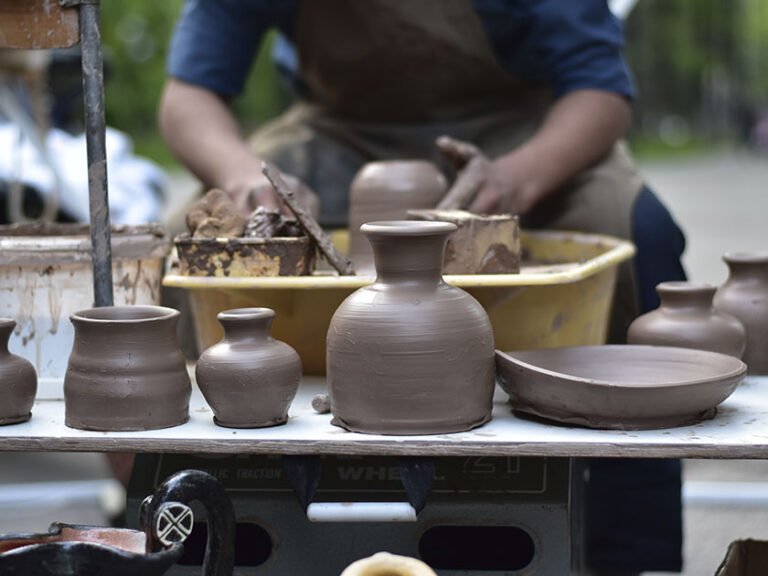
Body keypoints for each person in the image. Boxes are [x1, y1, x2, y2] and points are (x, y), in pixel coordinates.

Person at [159, 2, 686, 573]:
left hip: (517, 129)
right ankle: (184, 519)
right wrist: (245, 180)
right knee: (181, 248)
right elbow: (188, 95)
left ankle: (631, 549)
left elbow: (599, 91)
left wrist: (518, 178)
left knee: (640, 233)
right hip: (337, 131)